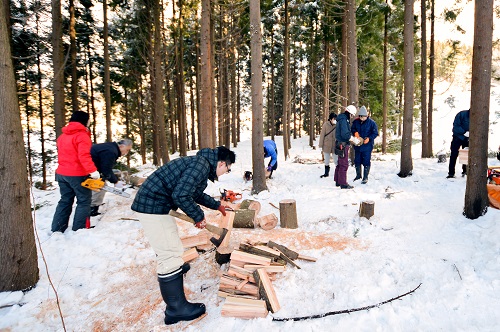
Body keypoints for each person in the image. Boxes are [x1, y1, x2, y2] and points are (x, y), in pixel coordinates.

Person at [131, 146, 236, 325]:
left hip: (158, 205)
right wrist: (198, 216)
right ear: (221, 163)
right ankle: (175, 309)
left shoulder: (200, 164)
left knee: (173, 246)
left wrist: (216, 205)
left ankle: (176, 271)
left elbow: (194, 193)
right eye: (228, 168)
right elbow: (181, 195)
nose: (226, 172)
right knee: (169, 254)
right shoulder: (201, 166)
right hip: (153, 206)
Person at [51, 111, 100, 232]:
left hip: (62, 173)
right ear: (84, 121)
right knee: (84, 201)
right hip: (77, 174)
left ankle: (57, 228)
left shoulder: (62, 136)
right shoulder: (82, 136)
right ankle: (80, 228)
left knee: (65, 200)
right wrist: (93, 171)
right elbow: (84, 156)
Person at [89, 139, 133, 216]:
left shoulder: (111, 147)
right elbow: (106, 169)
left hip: (92, 168)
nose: (126, 152)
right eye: (127, 150)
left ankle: (93, 205)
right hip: (86, 169)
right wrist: (115, 181)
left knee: (102, 185)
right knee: (100, 186)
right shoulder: (111, 151)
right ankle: (92, 208)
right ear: (122, 146)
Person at [351, 106, 378, 184]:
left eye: (363, 117)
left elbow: (375, 133)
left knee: (366, 161)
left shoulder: (372, 123)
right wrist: (355, 132)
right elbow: (352, 129)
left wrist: (369, 138)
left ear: (366, 116)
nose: (362, 118)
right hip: (357, 145)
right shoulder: (356, 122)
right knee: (357, 160)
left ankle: (365, 177)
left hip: (367, 146)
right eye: (361, 117)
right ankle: (358, 175)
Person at [334, 105, 357, 189]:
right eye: (352, 115)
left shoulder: (342, 119)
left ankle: (338, 181)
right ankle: (343, 183)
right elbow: (345, 134)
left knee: (340, 163)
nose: (352, 117)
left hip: (339, 143)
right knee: (344, 164)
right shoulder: (344, 120)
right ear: (350, 113)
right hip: (343, 144)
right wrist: (352, 138)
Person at [447, 109, 470, 178]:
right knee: (454, 154)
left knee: (466, 155)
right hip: (457, 137)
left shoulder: (476, 116)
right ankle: (451, 173)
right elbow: (456, 126)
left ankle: (465, 171)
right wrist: (464, 132)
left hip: (467, 138)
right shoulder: (461, 114)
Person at [318, 112, 337, 178]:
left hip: (334, 146)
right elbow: (322, 135)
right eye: (334, 119)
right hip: (326, 145)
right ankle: (326, 173)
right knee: (326, 160)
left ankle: (337, 173)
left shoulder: (337, 125)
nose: (335, 120)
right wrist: (320, 145)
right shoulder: (325, 125)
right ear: (330, 119)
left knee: (336, 160)